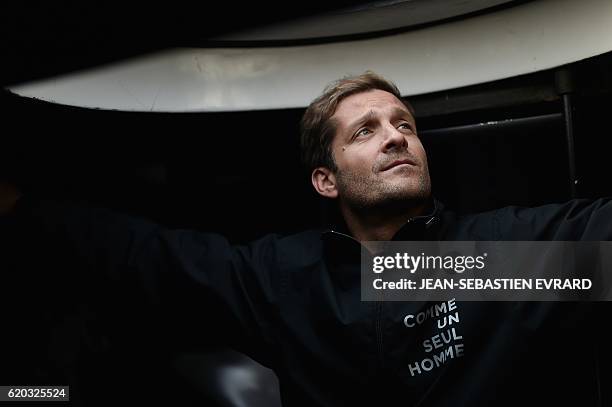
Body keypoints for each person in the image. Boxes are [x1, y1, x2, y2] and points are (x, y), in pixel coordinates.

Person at [1, 71, 611, 406]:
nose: (397, 136)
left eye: (405, 125)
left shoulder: (499, 257)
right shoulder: (291, 282)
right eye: (366, 131)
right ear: (326, 179)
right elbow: (148, 260)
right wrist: (20, 209)